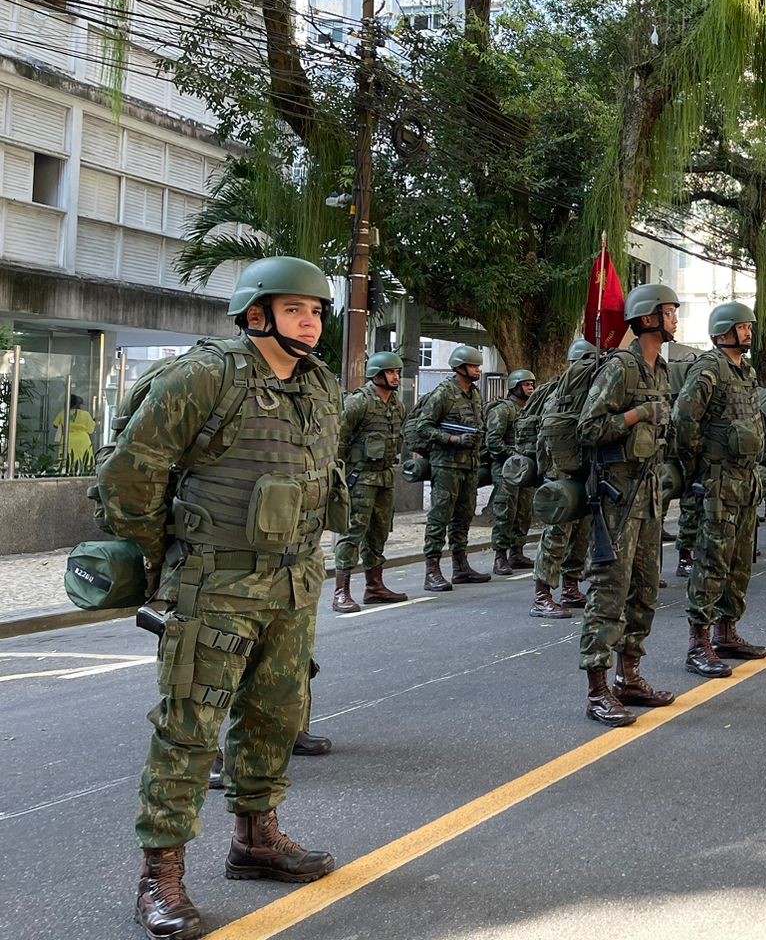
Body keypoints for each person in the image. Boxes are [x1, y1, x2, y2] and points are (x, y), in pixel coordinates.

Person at [98, 256, 342, 940]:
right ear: (256, 313)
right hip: (216, 583)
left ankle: (257, 839)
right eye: (297, 309)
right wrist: (167, 553)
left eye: (318, 311)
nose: (312, 322)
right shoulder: (204, 375)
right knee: (189, 729)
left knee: (276, 716)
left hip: (294, 583)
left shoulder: (319, 386)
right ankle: (160, 876)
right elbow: (128, 477)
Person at [576, 283, 679, 727]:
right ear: (648, 318)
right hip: (617, 502)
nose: (676, 320)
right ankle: (597, 689)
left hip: (650, 498)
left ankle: (629, 676)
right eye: (670, 312)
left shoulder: (661, 372)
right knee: (609, 594)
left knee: (645, 592)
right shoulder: (620, 368)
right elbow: (588, 428)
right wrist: (636, 415)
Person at [672, 301, 766, 679]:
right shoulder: (709, 369)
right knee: (712, 561)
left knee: (740, 562)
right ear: (724, 332)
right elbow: (684, 419)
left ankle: (727, 632)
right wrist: (697, 465)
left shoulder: (746, 373)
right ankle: (699, 643)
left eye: (748, 327)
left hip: (745, 480)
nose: (748, 333)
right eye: (743, 327)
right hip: (717, 481)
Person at [332, 351, 409, 611]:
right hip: (360, 478)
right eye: (390, 372)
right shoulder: (358, 403)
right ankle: (340, 591)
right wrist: (338, 477)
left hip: (385, 477)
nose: (395, 376)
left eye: (397, 372)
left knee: (379, 532)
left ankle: (374, 586)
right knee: (352, 532)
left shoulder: (397, 404)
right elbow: (338, 441)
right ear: (376, 374)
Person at [530, 339, 600, 619]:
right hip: (560, 471)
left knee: (581, 534)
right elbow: (546, 436)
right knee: (556, 534)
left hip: (583, 469)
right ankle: (542, 594)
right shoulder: (559, 394)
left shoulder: (590, 392)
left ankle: (570, 586)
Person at [418, 345, 490, 591]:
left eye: (478, 366)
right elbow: (423, 427)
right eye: (473, 366)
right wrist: (453, 439)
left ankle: (460, 566)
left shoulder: (475, 394)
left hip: (469, 466)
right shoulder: (443, 394)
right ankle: (432, 570)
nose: (477, 370)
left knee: (464, 516)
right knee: (439, 516)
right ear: (460, 367)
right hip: (446, 465)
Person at [485, 370, 540, 576]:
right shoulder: (503, 410)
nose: (530, 388)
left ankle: (517, 552)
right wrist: (513, 456)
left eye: (532, 384)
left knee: (523, 512)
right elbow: (493, 442)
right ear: (515, 387)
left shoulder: (530, 410)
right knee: (505, 512)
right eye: (526, 385)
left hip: (525, 470)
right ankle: (500, 556)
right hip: (505, 469)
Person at [53, 392, 96, 473]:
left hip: (67, 438)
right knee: (84, 461)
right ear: (79, 404)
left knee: (67, 462)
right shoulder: (86, 414)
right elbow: (91, 430)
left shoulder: (63, 413)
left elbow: (55, 424)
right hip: (83, 440)